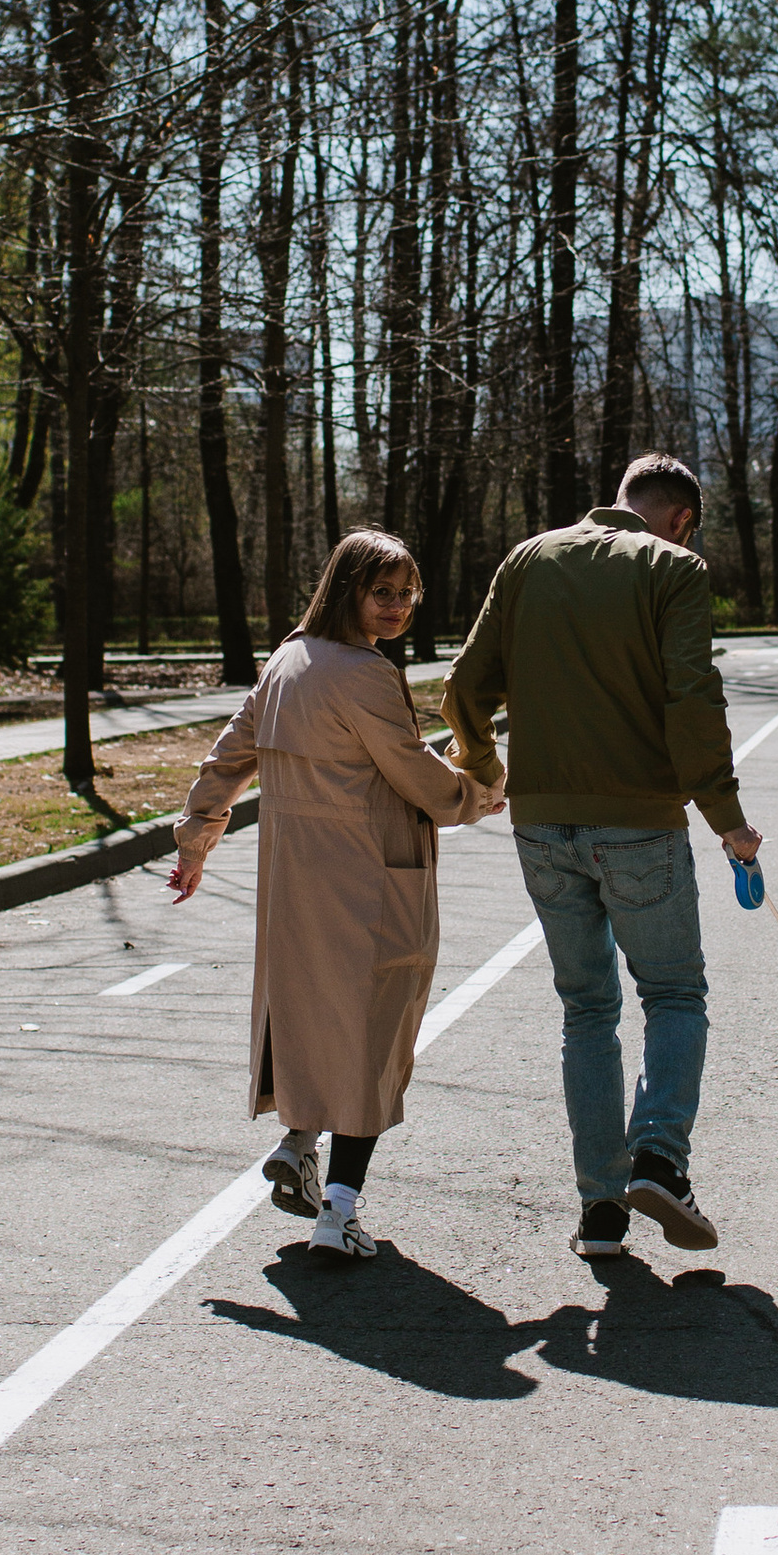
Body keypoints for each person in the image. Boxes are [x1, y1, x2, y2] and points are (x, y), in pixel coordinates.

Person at [442, 454, 762, 1264]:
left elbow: (464, 688)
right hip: (641, 825)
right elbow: (692, 699)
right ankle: (658, 1159)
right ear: (679, 518)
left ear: (618, 500)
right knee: (675, 995)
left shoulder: (528, 559)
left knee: (587, 1011)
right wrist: (726, 818)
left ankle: (600, 1214)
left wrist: (486, 771)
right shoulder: (675, 570)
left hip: (542, 824)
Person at [169, 530, 504, 1256]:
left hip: (295, 880)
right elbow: (416, 777)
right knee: (374, 1035)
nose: (396, 607)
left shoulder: (287, 659)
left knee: (315, 1016)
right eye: (381, 591)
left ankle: (297, 1145)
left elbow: (230, 754)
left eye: (407, 593)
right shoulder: (364, 672)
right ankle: (340, 1213)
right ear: (345, 587)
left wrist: (197, 839)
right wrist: (477, 794)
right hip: (372, 877)